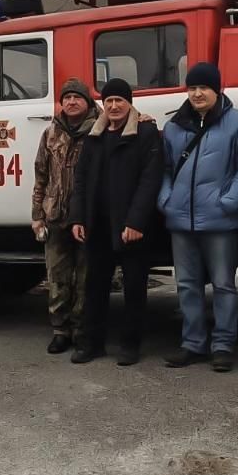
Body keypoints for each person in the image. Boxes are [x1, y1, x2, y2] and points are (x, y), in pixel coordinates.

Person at [158, 62, 238, 372]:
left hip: (219, 220)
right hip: (181, 220)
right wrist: (166, 199)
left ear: (217, 90)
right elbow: (166, 169)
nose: (197, 93)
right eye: (192, 88)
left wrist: (228, 202)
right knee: (187, 285)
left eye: (203, 87)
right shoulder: (175, 126)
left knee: (224, 284)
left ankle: (223, 345)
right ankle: (192, 344)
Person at [68, 77, 164, 366]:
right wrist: (78, 218)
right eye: (108, 101)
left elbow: (151, 181)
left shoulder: (146, 134)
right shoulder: (94, 137)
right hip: (97, 225)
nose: (113, 106)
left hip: (131, 227)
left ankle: (130, 345)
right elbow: (80, 181)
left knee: (134, 288)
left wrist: (136, 222)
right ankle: (92, 344)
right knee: (94, 286)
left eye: (119, 100)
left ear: (129, 103)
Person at [31, 78, 98, 354]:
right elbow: (41, 175)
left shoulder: (101, 130)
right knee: (57, 277)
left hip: (87, 218)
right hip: (56, 216)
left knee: (85, 278)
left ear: (88, 102)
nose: (71, 102)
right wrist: (37, 215)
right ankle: (60, 330)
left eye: (77, 97)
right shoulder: (50, 133)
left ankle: (82, 329)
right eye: (67, 97)